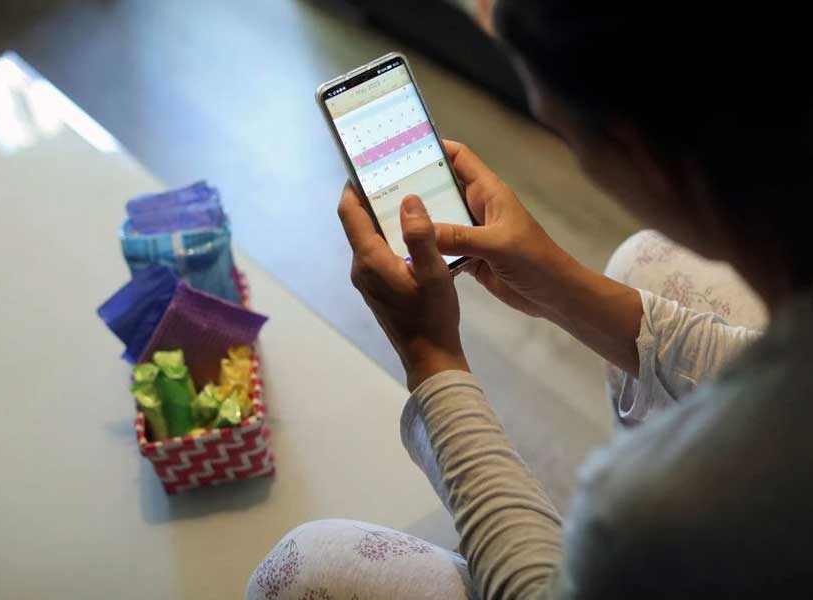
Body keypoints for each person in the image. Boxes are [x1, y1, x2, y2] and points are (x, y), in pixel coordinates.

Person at [247, 1, 812, 598]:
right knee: (646, 263)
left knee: (306, 570)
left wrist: (432, 359)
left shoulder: (651, 517)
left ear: (642, 157)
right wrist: (558, 281)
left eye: (563, 131)